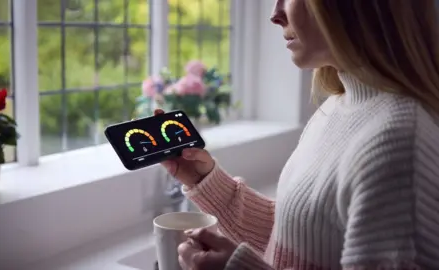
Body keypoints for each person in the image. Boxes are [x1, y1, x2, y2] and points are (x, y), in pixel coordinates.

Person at [156, 0, 439, 269]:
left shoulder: (397, 145)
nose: (275, 14)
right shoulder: (341, 106)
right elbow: (300, 237)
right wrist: (207, 182)